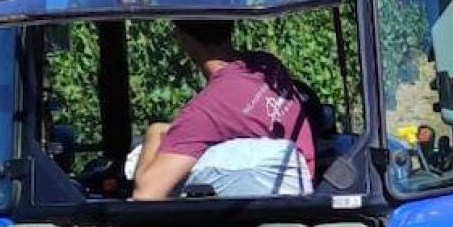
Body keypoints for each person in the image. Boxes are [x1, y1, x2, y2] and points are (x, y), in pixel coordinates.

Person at [132, 18, 316, 200]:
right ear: (231, 24)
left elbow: (146, 194)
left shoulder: (204, 111)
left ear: (181, 37)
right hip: (306, 186)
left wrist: (154, 133)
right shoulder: (268, 65)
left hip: (260, 212)